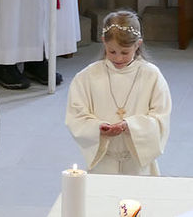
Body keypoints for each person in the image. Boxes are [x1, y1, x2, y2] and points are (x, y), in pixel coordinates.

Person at [65, 10, 172, 175]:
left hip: (137, 162)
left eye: (125, 52)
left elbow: (161, 116)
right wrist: (97, 127)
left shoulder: (151, 75)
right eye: (112, 51)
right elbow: (76, 115)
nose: (118, 58)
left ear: (138, 45)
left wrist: (131, 126)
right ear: (103, 42)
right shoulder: (87, 77)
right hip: (104, 160)